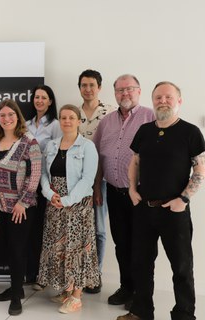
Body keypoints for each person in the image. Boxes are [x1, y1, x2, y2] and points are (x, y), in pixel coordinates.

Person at [118, 82, 205, 320]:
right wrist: (132, 190)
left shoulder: (190, 132)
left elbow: (200, 170)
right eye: (158, 97)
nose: (162, 101)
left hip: (175, 211)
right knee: (141, 265)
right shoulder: (145, 131)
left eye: (168, 97)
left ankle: (184, 315)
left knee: (182, 268)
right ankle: (141, 312)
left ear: (179, 100)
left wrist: (184, 199)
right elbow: (134, 162)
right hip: (144, 210)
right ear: (153, 100)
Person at [92, 74, 155, 309]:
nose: (125, 94)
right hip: (114, 193)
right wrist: (98, 186)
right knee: (121, 244)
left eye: (130, 89)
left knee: (142, 244)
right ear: (114, 93)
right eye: (120, 90)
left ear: (139, 91)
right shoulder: (106, 122)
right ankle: (126, 287)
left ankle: (141, 293)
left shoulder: (151, 117)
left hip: (140, 194)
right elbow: (98, 157)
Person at [37, 104, 99, 314]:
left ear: (79, 121)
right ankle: (67, 289)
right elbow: (45, 175)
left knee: (78, 249)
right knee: (60, 248)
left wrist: (68, 200)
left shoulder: (87, 146)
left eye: (71, 117)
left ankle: (77, 296)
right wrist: (49, 194)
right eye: (63, 118)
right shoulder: (52, 145)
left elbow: (88, 178)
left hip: (77, 205)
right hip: (54, 203)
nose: (67, 121)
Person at [0, 99, 41, 316]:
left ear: (18, 117)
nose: (7, 119)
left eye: (11, 115)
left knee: (18, 250)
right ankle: (15, 287)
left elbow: (34, 175)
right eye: (2, 115)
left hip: (21, 208)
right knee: (7, 248)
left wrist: (22, 203)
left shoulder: (29, 142)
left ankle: (16, 296)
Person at [77, 69, 116, 294]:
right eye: (84, 85)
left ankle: (95, 275)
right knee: (80, 229)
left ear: (99, 87)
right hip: (76, 180)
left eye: (92, 85)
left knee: (99, 229)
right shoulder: (73, 112)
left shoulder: (109, 113)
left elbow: (107, 149)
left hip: (100, 179)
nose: (88, 89)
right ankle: (77, 275)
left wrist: (97, 183)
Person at [24, 84, 62, 290]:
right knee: (28, 229)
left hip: (44, 183)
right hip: (26, 183)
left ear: (50, 101)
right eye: (36, 97)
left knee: (42, 229)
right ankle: (30, 272)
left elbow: (56, 154)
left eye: (43, 97)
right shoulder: (26, 124)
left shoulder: (55, 124)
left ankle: (42, 275)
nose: (39, 100)